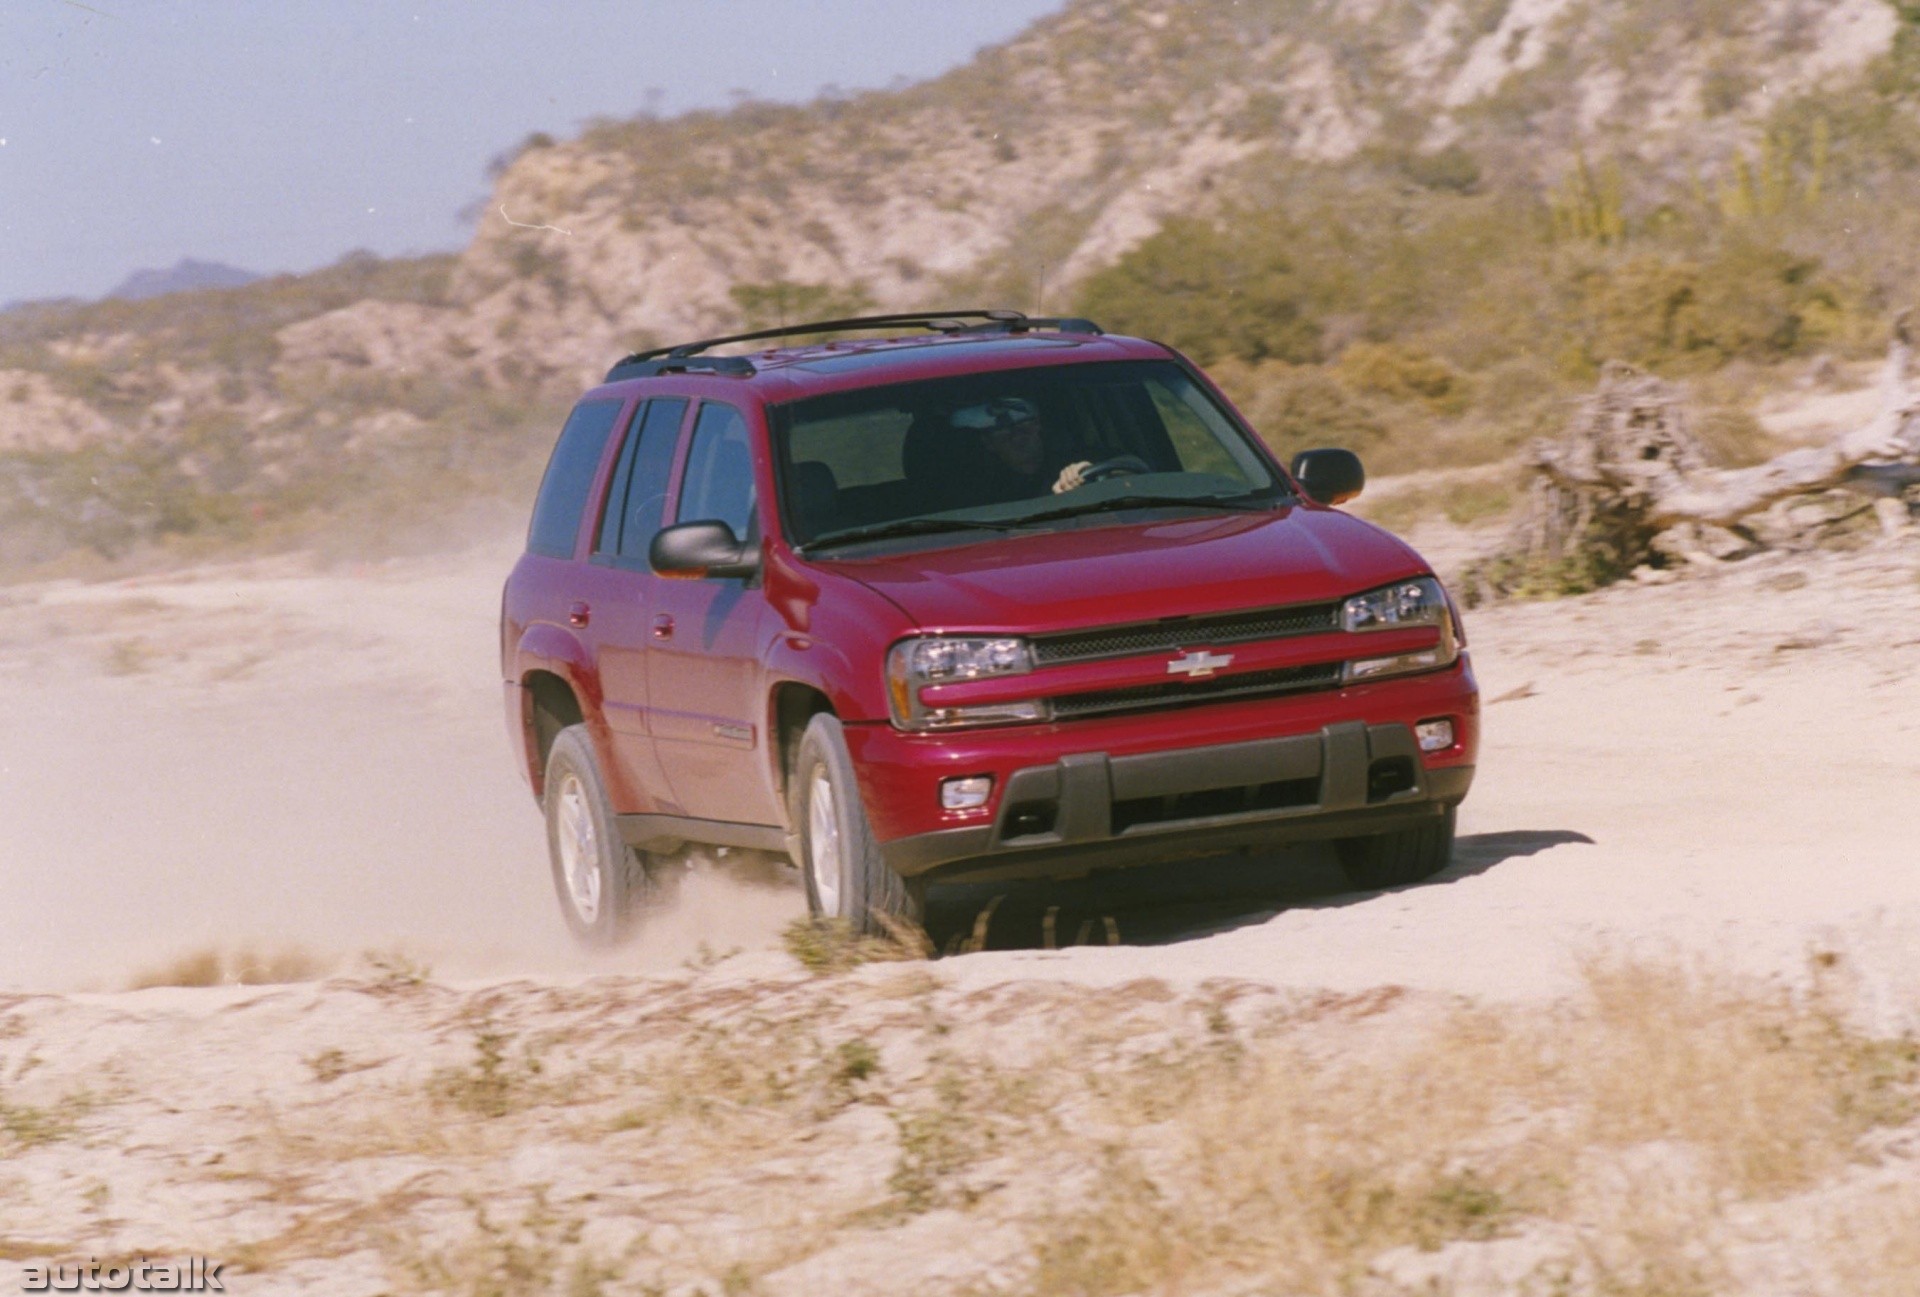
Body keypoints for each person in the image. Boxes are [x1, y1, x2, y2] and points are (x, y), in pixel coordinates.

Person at [949, 397, 1090, 502]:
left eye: (1024, 428)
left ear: (1038, 427)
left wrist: (1085, 474)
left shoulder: (1076, 460)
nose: (1017, 438)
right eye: (1003, 434)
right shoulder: (981, 489)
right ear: (989, 444)